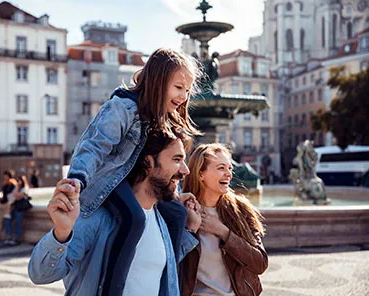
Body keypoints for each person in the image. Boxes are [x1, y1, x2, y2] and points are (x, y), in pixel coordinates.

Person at [65, 48, 203, 291]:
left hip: (136, 183)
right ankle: (112, 288)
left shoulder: (162, 116)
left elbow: (164, 164)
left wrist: (174, 192)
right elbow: (94, 146)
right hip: (108, 181)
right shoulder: (123, 106)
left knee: (178, 214)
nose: (184, 96)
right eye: (179, 87)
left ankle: (165, 279)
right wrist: (78, 178)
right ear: (159, 81)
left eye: (187, 90)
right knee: (134, 218)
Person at [28, 128, 201, 295]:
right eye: (177, 160)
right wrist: (62, 232)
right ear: (148, 163)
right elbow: (41, 274)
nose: (185, 170)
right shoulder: (98, 218)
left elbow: (159, 271)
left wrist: (190, 229)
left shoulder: (160, 220)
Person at [180, 144, 268, 296]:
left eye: (229, 168)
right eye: (221, 168)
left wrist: (222, 231)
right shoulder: (182, 212)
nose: (229, 174)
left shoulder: (241, 210)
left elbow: (260, 263)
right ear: (200, 173)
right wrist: (189, 229)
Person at [3, 175, 29, 245]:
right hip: (14, 207)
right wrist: (17, 188)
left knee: (18, 222)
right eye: (17, 181)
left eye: (19, 181)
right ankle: (9, 236)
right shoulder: (17, 188)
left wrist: (16, 190)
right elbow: (14, 195)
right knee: (7, 220)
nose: (18, 182)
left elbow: (17, 196)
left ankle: (16, 238)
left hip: (20, 208)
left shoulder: (25, 188)